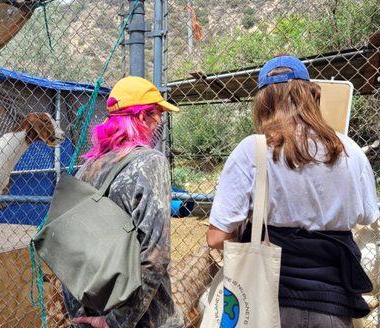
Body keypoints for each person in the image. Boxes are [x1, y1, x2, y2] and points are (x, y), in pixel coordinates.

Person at [206, 55, 380, 328]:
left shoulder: (252, 151)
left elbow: (217, 237)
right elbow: (368, 214)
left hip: (270, 305)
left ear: (264, 101)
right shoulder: (350, 151)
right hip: (333, 306)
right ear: (311, 95)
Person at [63, 76, 183, 328]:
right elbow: (154, 257)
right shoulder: (150, 162)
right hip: (143, 321)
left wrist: (81, 317)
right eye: (156, 115)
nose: (158, 123)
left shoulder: (85, 169)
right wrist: (115, 322)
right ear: (141, 118)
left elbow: (66, 250)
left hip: (90, 312)